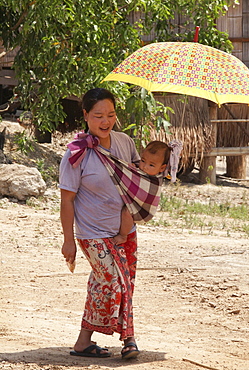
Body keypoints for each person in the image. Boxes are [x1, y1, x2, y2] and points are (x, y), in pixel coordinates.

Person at [59, 88, 141, 360]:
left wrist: (164, 160)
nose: (105, 121)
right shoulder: (75, 154)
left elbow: (140, 177)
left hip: (125, 229)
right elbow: (67, 200)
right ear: (85, 115)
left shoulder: (124, 143)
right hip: (92, 232)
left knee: (121, 282)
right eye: (98, 116)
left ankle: (94, 341)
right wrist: (68, 240)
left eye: (111, 115)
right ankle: (125, 339)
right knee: (113, 280)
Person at [113, 140, 171, 245]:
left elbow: (142, 185)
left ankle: (123, 235)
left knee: (127, 211)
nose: (144, 166)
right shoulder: (143, 171)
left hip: (143, 209)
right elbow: (135, 174)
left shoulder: (155, 179)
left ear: (162, 168)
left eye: (151, 165)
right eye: (143, 161)